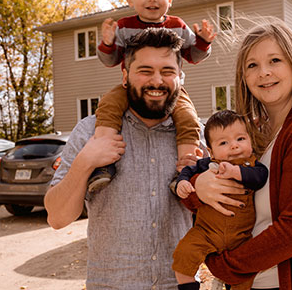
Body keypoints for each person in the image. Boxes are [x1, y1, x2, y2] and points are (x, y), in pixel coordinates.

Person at [183, 19, 292, 289]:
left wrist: (224, 265)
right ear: (244, 76)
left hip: (287, 283)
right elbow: (199, 192)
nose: (264, 73)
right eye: (252, 65)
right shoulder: (247, 137)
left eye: (275, 60)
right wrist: (196, 185)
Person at [44, 28, 202, 289]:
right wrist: (86, 161)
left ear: (180, 78)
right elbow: (57, 218)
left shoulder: (196, 140)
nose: (157, 81)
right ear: (125, 76)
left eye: (167, 71)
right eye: (145, 71)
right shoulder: (90, 132)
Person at [88, 0, 216, 193]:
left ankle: (185, 170)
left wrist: (204, 42)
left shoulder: (177, 25)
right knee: (108, 106)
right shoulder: (125, 27)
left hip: (173, 92)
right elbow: (110, 60)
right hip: (131, 89)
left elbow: (192, 56)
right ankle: (103, 163)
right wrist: (108, 43)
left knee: (188, 118)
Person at [172, 110, 268, 290]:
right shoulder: (208, 164)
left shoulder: (253, 165)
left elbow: (260, 177)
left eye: (240, 139)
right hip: (207, 231)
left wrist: (236, 172)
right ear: (211, 150)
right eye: (224, 142)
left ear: (250, 139)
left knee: (244, 276)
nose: (234, 146)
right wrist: (182, 183)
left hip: (241, 237)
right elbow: (188, 171)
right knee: (183, 254)